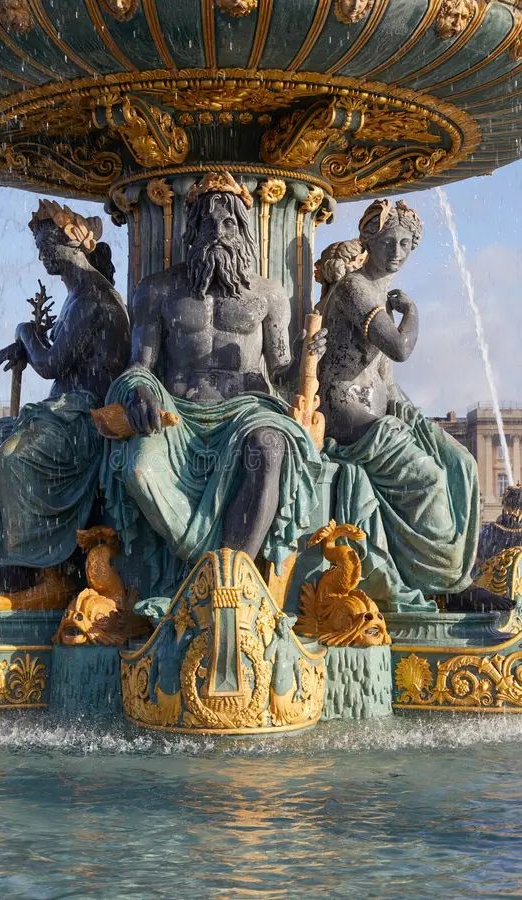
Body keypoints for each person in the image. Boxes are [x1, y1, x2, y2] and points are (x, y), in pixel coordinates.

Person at [101, 172, 326, 594]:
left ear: (243, 231)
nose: (219, 234)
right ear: (193, 230)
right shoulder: (157, 291)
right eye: (209, 224)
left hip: (247, 412)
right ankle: (197, 571)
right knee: (137, 467)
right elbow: (139, 365)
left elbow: (281, 369)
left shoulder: (268, 295)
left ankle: (230, 582)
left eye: (230, 225)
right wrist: (141, 391)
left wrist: (313, 350)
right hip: (177, 413)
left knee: (270, 448)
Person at [0, 201, 130, 597]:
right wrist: (26, 346)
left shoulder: (94, 299)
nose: (40, 254)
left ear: (71, 244)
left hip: (85, 420)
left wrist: (23, 332)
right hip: (53, 417)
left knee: (14, 459)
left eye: (45, 244)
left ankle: (41, 577)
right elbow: (57, 357)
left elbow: (49, 363)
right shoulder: (73, 298)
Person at [317, 199, 479, 611]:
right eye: (390, 241)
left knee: (461, 462)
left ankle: (455, 577)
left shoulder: (377, 292)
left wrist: (414, 417)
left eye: (407, 244)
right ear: (369, 238)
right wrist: (413, 313)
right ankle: (436, 581)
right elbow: (400, 348)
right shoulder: (355, 288)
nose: (398, 253)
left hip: (381, 404)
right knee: (426, 478)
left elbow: (386, 376)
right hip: (345, 405)